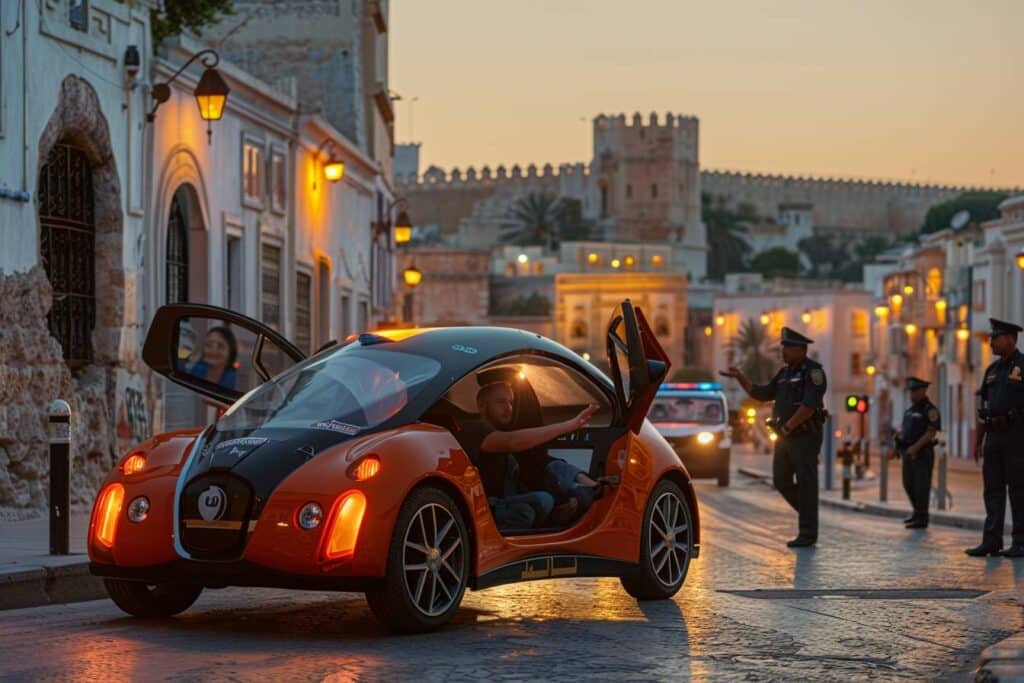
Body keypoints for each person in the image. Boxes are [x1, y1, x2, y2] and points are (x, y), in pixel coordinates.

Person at [719, 327, 827, 547]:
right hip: (785, 437)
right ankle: (809, 513)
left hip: (805, 436)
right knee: (781, 480)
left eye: (787, 347)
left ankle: (808, 532)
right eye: (782, 347)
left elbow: (809, 405)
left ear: (800, 349)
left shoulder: (813, 373)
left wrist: (788, 427)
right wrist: (741, 377)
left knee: (806, 483)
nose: (783, 351)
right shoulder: (784, 374)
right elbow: (761, 393)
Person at [456, 381, 599, 531]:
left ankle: (596, 487)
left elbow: (539, 463)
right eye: (500, 402)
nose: (508, 408)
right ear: (482, 406)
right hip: (483, 506)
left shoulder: (508, 436)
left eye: (510, 402)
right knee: (531, 509)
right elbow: (511, 442)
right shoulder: (474, 429)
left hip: (510, 500)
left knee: (550, 474)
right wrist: (569, 425)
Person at [966, 318, 1024, 558]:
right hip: (993, 437)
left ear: (1011, 339)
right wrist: (978, 441)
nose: (990, 344)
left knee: (1019, 490)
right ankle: (991, 540)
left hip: (1017, 437)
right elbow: (984, 407)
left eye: (995, 339)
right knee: (992, 490)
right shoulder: (992, 370)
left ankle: (1020, 541)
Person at [897, 377, 941, 529]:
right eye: (911, 391)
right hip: (908, 453)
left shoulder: (930, 410)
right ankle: (917, 513)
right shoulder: (910, 411)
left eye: (915, 391)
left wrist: (916, 448)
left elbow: (931, 432)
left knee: (921, 487)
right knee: (908, 484)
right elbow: (904, 431)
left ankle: (922, 518)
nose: (912, 394)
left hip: (922, 453)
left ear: (923, 391)